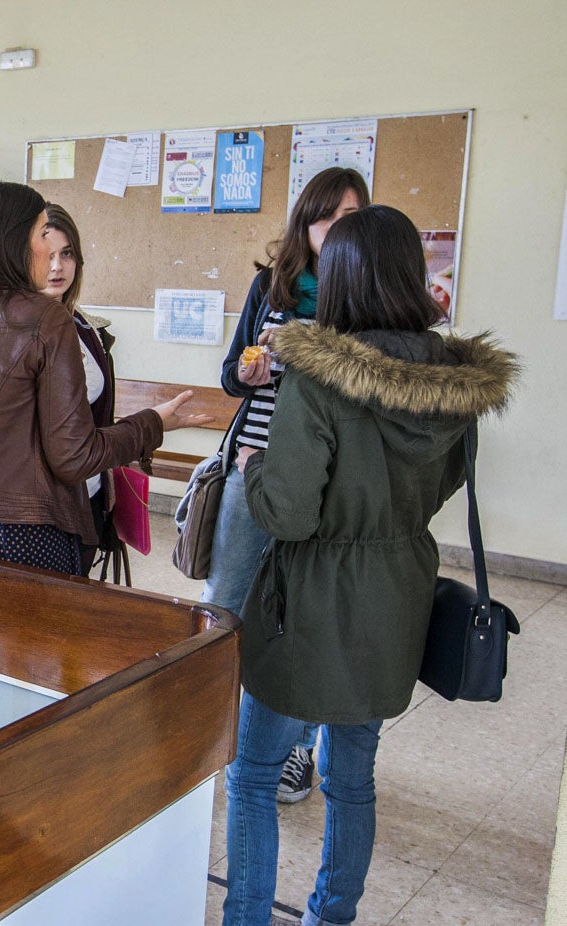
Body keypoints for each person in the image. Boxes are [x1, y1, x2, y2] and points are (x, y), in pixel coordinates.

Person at [221, 204, 518, 926]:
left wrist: (254, 465)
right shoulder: (456, 384)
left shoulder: (319, 378)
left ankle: (246, 918)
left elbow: (286, 513)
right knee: (352, 779)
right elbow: (447, 482)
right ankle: (332, 916)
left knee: (254, 776)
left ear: (344, 277)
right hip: (397, 592)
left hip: (309, 597)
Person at [0, 181, 210, 575]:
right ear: (12, 241)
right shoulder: (46, 317)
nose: (51, 253)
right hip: (19, 537)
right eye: (42, 233)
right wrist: (153, 423)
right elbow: (75, 456)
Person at [203, 166, 370, 802]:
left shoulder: (365, 301)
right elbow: (229, 376)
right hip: (254, 464)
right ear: (304, 221)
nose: (334, 230)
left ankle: (297, 748)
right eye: (324, 216)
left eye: (350, 217)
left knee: (302, 614)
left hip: (324, 479)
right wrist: (251, 371)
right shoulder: (268, 285)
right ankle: (214, 726)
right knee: (228, 599)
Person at [39, 204, 128, 579]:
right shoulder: (12, 329)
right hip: (37, 506)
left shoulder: (89, 330)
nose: (57, 267)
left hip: (87, 493)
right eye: (47, 255)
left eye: (67, 254)